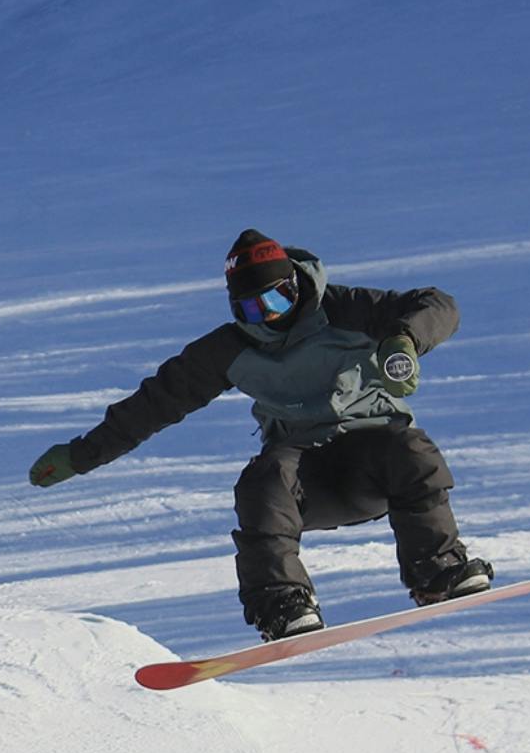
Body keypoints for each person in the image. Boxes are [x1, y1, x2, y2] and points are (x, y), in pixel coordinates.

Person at [28, 229, 492, 642]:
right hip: (307, 479)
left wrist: (404, 339)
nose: (269, 316)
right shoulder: (229, 348)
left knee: (411, 449)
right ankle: (283, 605)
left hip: (376, 466)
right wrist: (81, 456)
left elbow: (438, 305)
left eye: (277, 299)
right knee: (263, 478)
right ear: (235, 307)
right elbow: (152, 405)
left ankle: (439, 571)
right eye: (252, 307)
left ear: (296, 284)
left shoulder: (347, 309)